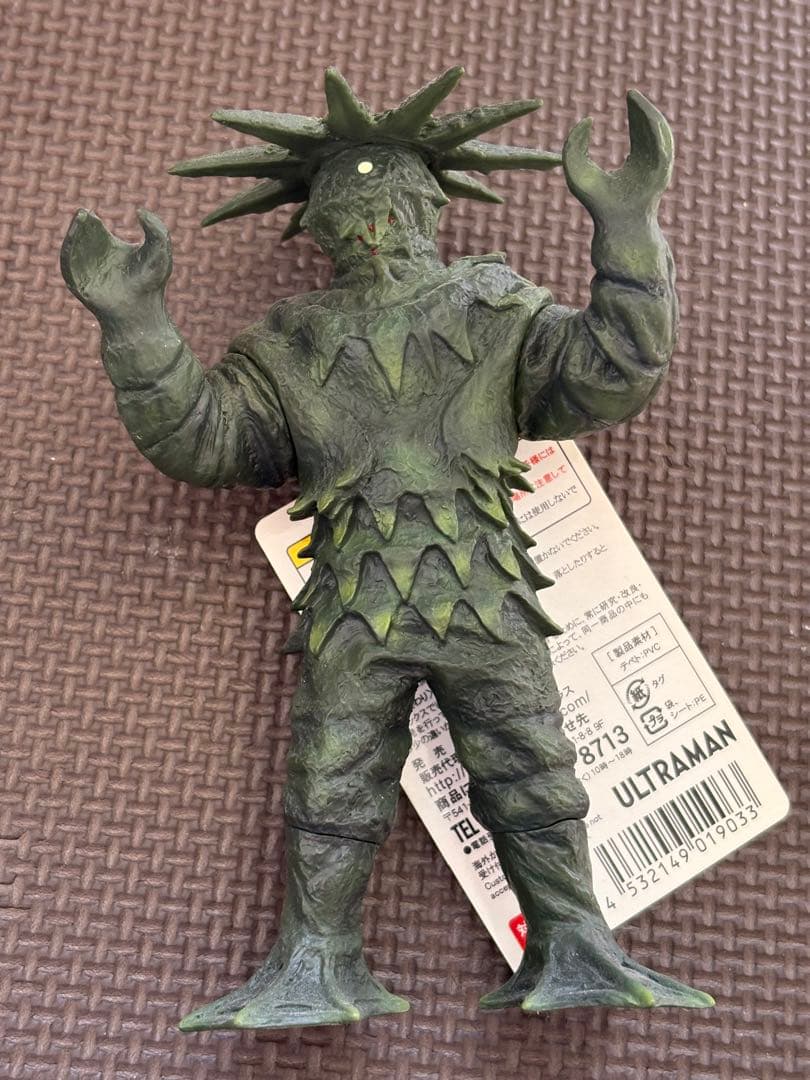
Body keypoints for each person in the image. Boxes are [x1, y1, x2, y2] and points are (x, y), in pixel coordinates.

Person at [61, 67, 713, 1029]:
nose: (371, 216)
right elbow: (207, 437)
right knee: (333, 774)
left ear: (430, 207)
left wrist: (626, 232)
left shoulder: (494, 308)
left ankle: (573, 938)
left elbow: (610, 369)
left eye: (389, 193)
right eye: (348, 201)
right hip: (355, 609)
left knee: (529, 763)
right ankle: (315, 955)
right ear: (317, 227)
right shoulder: (289, 343)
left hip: (483, 592)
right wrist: (138, 325)